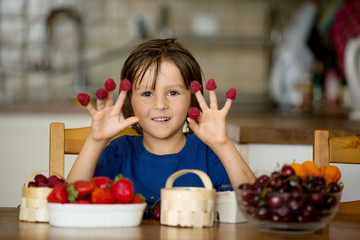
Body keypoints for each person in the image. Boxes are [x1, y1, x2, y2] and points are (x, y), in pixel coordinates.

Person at [67, 38, 255, 204]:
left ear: (192, 98)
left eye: (173, 92)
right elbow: (70, 199)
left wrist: (223, 144)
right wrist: (96, 140)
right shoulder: (119, 152)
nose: (160, 104)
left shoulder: (207, 152)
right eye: (147, 93)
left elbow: (254, 202)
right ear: (129, 101)